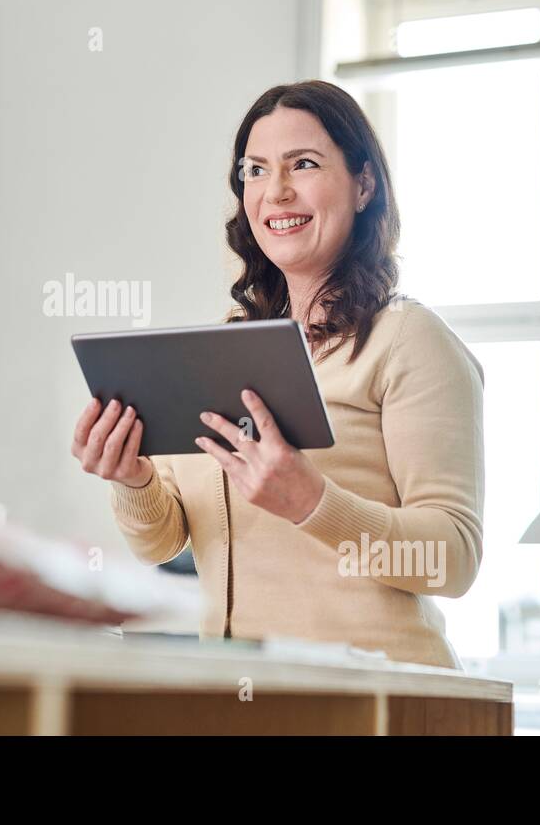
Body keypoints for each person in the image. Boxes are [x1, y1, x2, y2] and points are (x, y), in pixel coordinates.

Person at [70, 80, 485, 669]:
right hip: (243, 700)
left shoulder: (407, 339)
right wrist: (131, 479)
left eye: (304, 164)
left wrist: (313, 502)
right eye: (256, 171)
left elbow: (454, 557)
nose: (276, 192)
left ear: (364, 184)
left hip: (380, 701)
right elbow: (164, 542)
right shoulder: (216, 351)